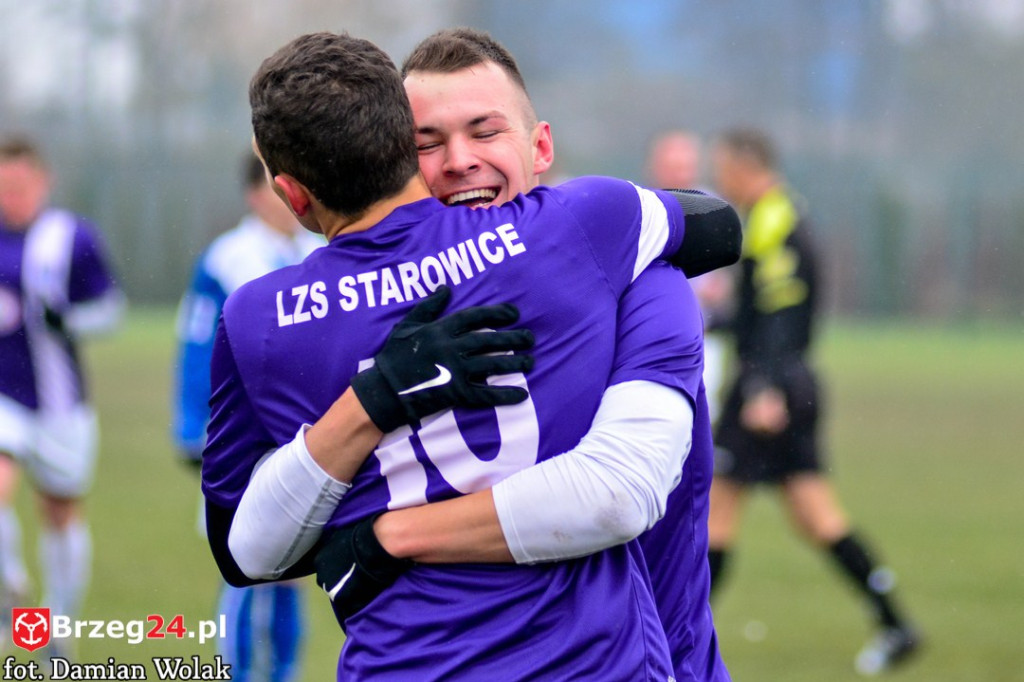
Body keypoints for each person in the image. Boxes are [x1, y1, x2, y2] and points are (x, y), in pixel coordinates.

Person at [201, 31, 738, 680]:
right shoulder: (585, 229)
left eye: (485, 131)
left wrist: (390, 536)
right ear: (397, 153)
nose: (459, 161)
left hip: (662, 656)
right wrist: (370, 403)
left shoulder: (634, 269)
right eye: (428, 142)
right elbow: (716, 223)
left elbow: (617, 491)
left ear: (540, 147)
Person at [706, 127, 921, 676]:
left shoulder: (773, 220)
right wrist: (710, 319)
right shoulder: (774, 215)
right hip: (790, 385)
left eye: (723, 169)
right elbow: (760, 313)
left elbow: (781, 315)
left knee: (714, 513)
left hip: (768, 390)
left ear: (746, 166)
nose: (719, 180)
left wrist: (763, 387)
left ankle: (676, 635)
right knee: (818, 517)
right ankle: (895, 623)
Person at [172, 153, 322, 682]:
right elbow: (197, 342)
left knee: (294, 572)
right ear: (256, 195)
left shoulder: (318, 249)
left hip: (307, 436)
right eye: (280, 186)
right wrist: (191, 426)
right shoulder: (227, 258)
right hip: (245, 434)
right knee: (246, 565)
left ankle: (282, 673)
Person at [0, 136, 124, 646]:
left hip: (60, 403)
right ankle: (10, 587)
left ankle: (57, 628)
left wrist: (67, 319)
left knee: (61, 514)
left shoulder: (72, 236)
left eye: (21, 185)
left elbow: (110, 309)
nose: (13, 196)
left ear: (43, 182)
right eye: (4, 187)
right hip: (5, 398)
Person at [646, 129, 735, 426]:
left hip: (702, 337)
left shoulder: (714, 209)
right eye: (672, 167)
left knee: (699, 422)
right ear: (654, 167)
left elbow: (731, 274)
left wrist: (721, 288)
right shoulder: (640, 206)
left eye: (686, 167)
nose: (680, 175)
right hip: (650, 339)